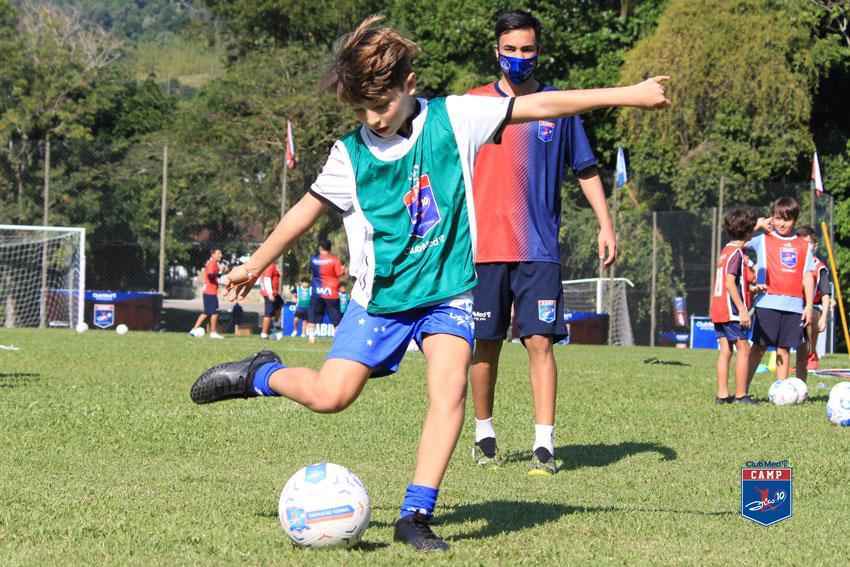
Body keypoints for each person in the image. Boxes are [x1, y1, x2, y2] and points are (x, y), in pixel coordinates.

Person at [189, 15, 669, 552]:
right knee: (331, 396)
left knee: (449, 390)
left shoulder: (456, 117)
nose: (375, 118)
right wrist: (254, 264)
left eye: (383, 105)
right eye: (364, 109)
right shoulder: (350, 155)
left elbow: (542, 106)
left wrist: (630, 94)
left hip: (448, 292)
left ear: (408, 85)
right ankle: (261, 374)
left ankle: (415, 514)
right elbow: (306, 210)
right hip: (383, 299)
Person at [467, 10, 618, 476]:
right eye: (510, 49)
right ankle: (484, 433)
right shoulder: (472, 104)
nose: (518, 57)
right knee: (484, 343)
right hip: (482, 250)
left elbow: (586, 169)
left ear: (539, 51)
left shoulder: (558, 106)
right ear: (496, 50)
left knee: (539, 343)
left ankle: (544, 444)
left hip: (538, 248)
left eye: (527, 49)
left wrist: (605, 224)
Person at [746, 197, 816, 391]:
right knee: (758, 348)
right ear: (772, 218)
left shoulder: (803, 245)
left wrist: (809, 306)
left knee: (783, 349)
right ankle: (742, 390)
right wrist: (757, 225)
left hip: (793, 306)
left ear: (795, 220)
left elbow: (808, 277)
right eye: (778, 218)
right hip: (766, 304)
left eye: (787, 219)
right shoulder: (762, 240)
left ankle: (781, 391)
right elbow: (738, 240)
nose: (782, 223)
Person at [709, 208, 757, 404]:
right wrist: (743, 309)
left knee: (725, 350)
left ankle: (722, 395)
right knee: (743, 349)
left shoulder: (725, 250)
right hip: (731, 309)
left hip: (718, 307)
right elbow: (730, 282)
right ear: (748, 232)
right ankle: (740, 395)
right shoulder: (737, 253)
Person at [795, 225, 832, 379]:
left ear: (815, 246)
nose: (805, 247)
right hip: (791, 306)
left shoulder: (819, 267)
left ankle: (811, 349)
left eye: (808, 243)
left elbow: (825, 293)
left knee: (803, 350)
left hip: (812, 309)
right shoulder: (791, 262)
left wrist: (824, 317)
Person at [307, 239, 346, 343]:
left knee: (313, 315)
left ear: (320, 248)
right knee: (335, 318)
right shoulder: (335, 260)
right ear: (330, 248)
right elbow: (339, 274)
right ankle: (337, 340)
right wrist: (344, 270)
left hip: (317, 291)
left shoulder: (313, 259)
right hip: (331, 292)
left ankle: (311, 337)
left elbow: (310, 271)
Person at [189, 249, 227, 339]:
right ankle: (213, 332)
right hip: (210, 292)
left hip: (209, 291)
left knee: (206, 312)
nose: (220, 255)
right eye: (218, 253)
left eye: (220, 253)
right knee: (214, 312)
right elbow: (210, 275)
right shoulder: (212, 263)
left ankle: (194, 329)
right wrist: (220, 272)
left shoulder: (214, 263)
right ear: (213, 254)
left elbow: (213, 276)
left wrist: (221, 273)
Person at [259, 262, 284, 339]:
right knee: (268, 312)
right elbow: (266, 279)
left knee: (280, 304)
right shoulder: (270, 265)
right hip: (270, 293)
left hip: (274, 293)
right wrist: (269, 294)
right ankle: (264, 333)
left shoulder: (273, 265)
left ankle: (275, 326)